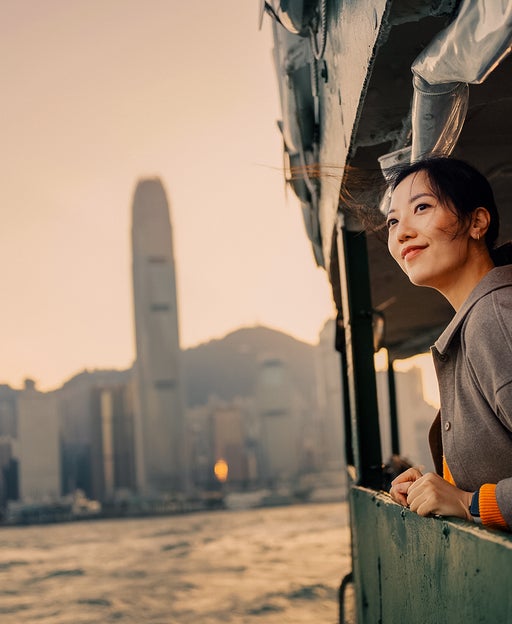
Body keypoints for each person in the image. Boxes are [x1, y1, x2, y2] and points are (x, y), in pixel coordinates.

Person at [385, 156, 512, 531]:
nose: (402, 232)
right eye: (393, 221)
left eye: (421, 207)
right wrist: (437, 487)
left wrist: (468, 503)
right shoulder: (476, 320)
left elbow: (474, 502)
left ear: (476, 222)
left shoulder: (496, 316)